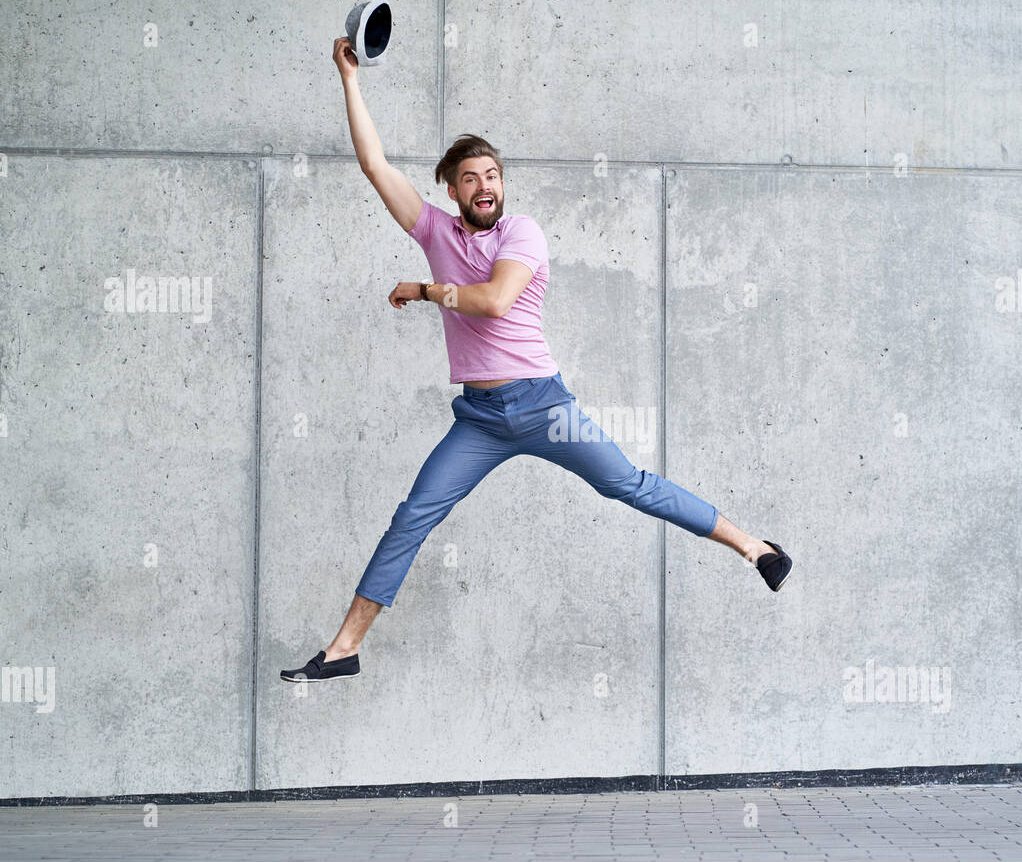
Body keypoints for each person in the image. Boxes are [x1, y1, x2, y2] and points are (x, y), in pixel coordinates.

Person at [281, 38, 792, 683]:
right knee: (413, 515)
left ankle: (755, 547)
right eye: (470, 177)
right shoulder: (434, 230)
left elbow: (494, 302)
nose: (484, 185)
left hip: (544, 405)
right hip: (481, 419)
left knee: (626, 484)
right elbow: (375, 165)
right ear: (452, 188)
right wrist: (349, 78)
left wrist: (423, 289)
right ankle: (345, 648)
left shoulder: (521, 232)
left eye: (492, 174)